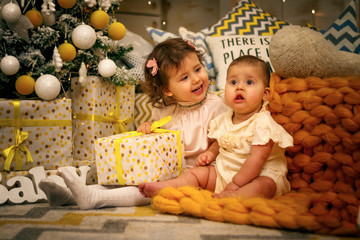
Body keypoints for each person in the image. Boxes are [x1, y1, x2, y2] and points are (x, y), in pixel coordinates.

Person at [39, 38, 229, 209]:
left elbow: (226, 140)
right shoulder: (165, 109)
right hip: (168, 170)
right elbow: (158, 139)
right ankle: (68, 196)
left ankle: (95, 198)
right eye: (185, 78)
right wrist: (148, 128)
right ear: (167, 90)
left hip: (200, 173)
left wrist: (209, 153)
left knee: (146, 190)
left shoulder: (216, 106)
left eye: (197, 69)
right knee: (131, 179)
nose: (196, 79)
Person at [139, 55, 294, 199]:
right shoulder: (224, 119)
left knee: (264, 186)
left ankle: (235, 198)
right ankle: (169, 187)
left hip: (260, 174)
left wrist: (237, 185)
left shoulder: (263, 123)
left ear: (265, 94)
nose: (239, 87)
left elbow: (257, 159)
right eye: (233, 82)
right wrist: (211, 154)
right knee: (197, 173)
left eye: (249, 82)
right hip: (225, 173)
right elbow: (219, 142)